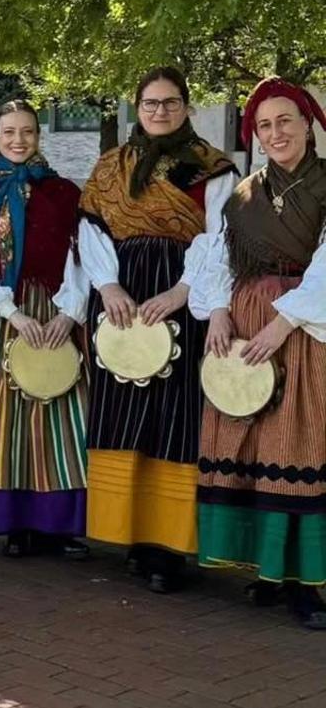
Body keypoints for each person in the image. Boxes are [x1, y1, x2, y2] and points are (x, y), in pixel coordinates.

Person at [79, 66, 235, 592]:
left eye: (170, 103)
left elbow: (220, 239)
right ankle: (130, 535)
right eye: (150, 103)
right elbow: (90, 230)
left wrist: (180, 294)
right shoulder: (110, 167)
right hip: (122, 296)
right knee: (124, 415)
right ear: (137, 107)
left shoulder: (210, 168)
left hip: (183, 298)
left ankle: (168, 547)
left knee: (175, 416)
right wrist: (107, 288)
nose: (160, 111)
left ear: (187, 107)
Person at [190, 77, 326, 629]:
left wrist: (287, 319)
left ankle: (308, 583)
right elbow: (217, 257)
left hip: (306, 328)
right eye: (264, 126)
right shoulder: (243, 193)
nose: (276, 134)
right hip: (245, 324)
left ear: (308, 123)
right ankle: (268, 572)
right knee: (249, 444)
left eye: (285, 121)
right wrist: (217, 309)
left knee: (298, 443)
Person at [0, 100, 90, 558]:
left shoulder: (65, 194)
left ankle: (57, 526)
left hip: (54, 313)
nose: (18, 140)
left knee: (62, 421)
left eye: (26, 132)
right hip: (7, 319)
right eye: (8, 132)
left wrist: (69, 313)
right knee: (5, 424)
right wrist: (12, 314)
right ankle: (13, 524)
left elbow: (80, 256)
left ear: (38, 136)